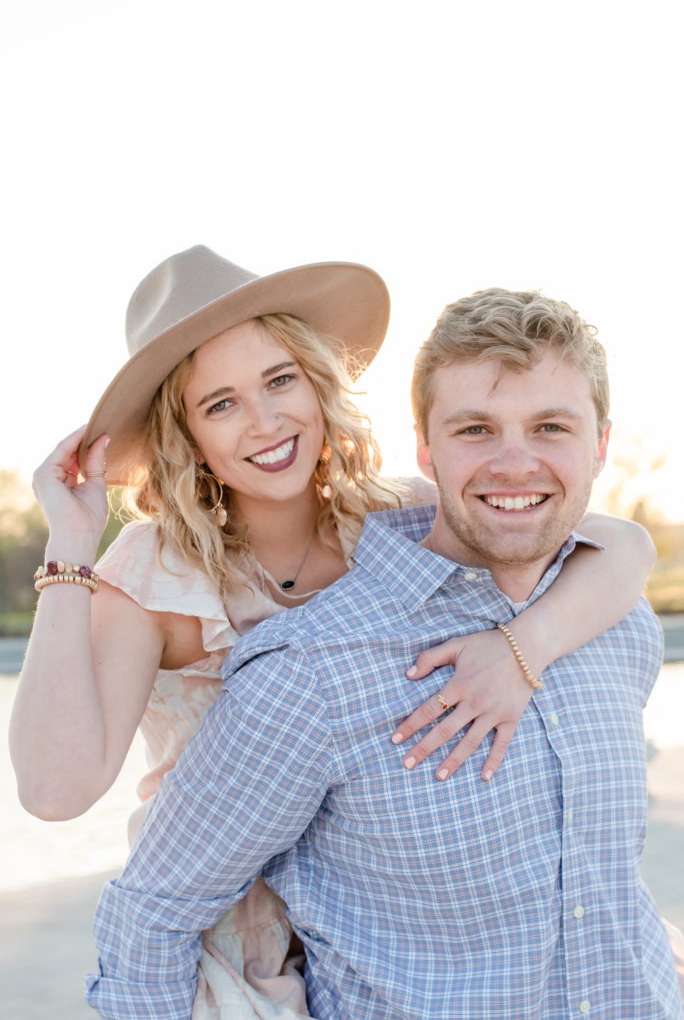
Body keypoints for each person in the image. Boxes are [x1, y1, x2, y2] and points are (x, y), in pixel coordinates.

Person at [81, 283, 682, 1019]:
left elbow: (598, 886)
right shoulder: (307, 671)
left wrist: (525, 648)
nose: (515, 464)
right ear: (425, 449)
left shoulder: (617, 624)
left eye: (552, 427)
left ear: (603, 444)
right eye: (475, 430)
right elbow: (149, 918)